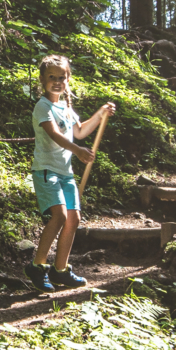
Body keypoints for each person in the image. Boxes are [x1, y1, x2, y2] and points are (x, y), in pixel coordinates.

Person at [28, 54, 112, 294]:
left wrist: (100, 114)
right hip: (47, 170)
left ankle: (60, 270)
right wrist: (78, 151)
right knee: (59, 216)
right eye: (51, 77)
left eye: (61, 77)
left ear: (68, 79)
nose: (57, 81)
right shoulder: (43, 106)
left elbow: (81, 131)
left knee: (73, 219)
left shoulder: (66, 107)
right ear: (43, 79)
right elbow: (54, 134)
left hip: (66, 173)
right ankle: (37, 266)